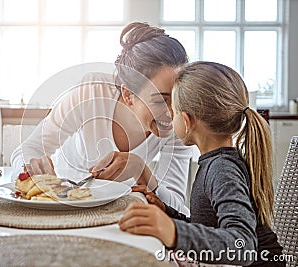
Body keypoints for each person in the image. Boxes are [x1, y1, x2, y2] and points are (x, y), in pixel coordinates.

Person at [10, 22, 192, 211]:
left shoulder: (182, 121)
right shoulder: (90, 92)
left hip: (120, 212)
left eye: (180, 97)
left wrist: (142, 171)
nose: (173, 112)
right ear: (129, 95)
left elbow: (177, 206)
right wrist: (28, 169)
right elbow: (29, 148)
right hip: (62, 205)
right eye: (160, 100)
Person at [119, 61, 284, 266]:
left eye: (175, 110)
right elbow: (209, 227)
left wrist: (173, 231)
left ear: (187, 121)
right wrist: (168, 214)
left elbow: (244, 247)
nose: (170, 116)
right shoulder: (216, 163)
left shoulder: (222, 169)